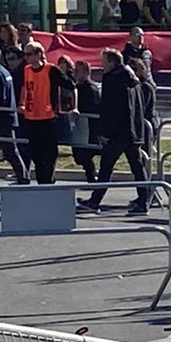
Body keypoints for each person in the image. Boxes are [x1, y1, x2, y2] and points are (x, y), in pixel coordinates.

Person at [84, 48, 151, 213]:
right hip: (133, 131)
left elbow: (110, 108)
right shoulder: (133, 79)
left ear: (112, 62)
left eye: (104, 61)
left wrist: (105, 132)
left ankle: (95, 201)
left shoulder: (112, 79)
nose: (102, 66)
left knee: (106, 167)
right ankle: (144, 201)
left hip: (117, 133)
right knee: (137, 167)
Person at [18, 42, 71, 185]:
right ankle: (42, 182)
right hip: (31, 117)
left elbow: (69, 84)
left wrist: (69, 106)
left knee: (49, 154)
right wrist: (21, 104)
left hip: (48, 117)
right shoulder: (26, 70)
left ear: (39, 54)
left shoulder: (51, 70)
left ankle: (48, 181)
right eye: (25, 54)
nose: (26, 57)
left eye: (29, 54)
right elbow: (24, 88)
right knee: (36, 154)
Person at [0, 47, 25, 181]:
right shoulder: (4, 71)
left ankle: (23, 177)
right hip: (6, 117)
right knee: (9, 150)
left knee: (10, 151)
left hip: (0, 119)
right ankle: (23, 176)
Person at [70, 60, 101, 183]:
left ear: (86, 72)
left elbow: (93, 107)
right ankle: (91, 176)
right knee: (78, 153)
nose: (75, 74)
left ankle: (92, 177)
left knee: (84, 153)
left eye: (78, 71)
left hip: (89, 126)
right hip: (79, 125)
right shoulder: (76, 87)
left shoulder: (91, 89)